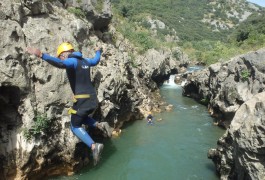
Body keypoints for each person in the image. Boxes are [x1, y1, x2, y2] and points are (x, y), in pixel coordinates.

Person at [27, 42, 112, 165]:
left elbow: (61, 64)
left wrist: (41, 55)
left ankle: (94, 146)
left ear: (64, 54)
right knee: (81, 118)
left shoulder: (71, 61)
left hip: (82, 100)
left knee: (75, 126)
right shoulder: (86, 61)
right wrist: (98, 51)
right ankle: (99, 125)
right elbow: (96, 60)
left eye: (60, 56)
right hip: (92, 99)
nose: (60, 58)